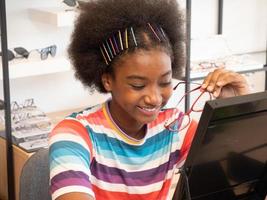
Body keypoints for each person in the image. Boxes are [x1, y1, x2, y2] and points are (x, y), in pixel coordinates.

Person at [48, 0, 249, 199]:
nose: (154, 98)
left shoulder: (174, 127)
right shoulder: (74, 134)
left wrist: (237, 110)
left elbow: (237, 176)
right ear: (108, 80)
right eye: (138, 85)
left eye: (165, 82)